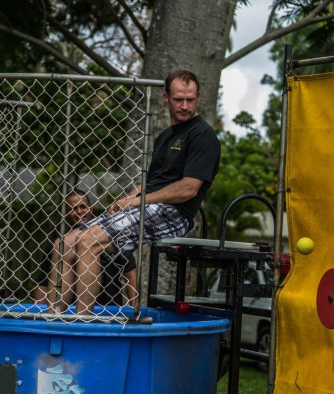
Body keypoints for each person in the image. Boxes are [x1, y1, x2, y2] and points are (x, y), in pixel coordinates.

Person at [49, 69, 221, 315]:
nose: (185, 105)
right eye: (178, 99)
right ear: (165, 98)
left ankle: (81, 321)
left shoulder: (203, 136)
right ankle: (54, 316)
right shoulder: (165, 136)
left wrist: (139, 201)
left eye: (190, 100)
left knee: (89, 242)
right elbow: (152, 181)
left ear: (198, 98)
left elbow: (188, 189)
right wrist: (128, 197)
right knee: (65, 243)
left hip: (175, 213)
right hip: (150, 205)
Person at [38, 190, 137, 310]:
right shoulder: (59, 244)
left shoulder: (112, 237)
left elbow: (130, 275)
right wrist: (40, 315)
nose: (79, 212)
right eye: (73, 208)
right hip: (70, 310)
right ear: (66, 213)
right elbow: (43, 285)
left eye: (83, 207)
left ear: (91, 208)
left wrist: (135, 310)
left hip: (109, 310)